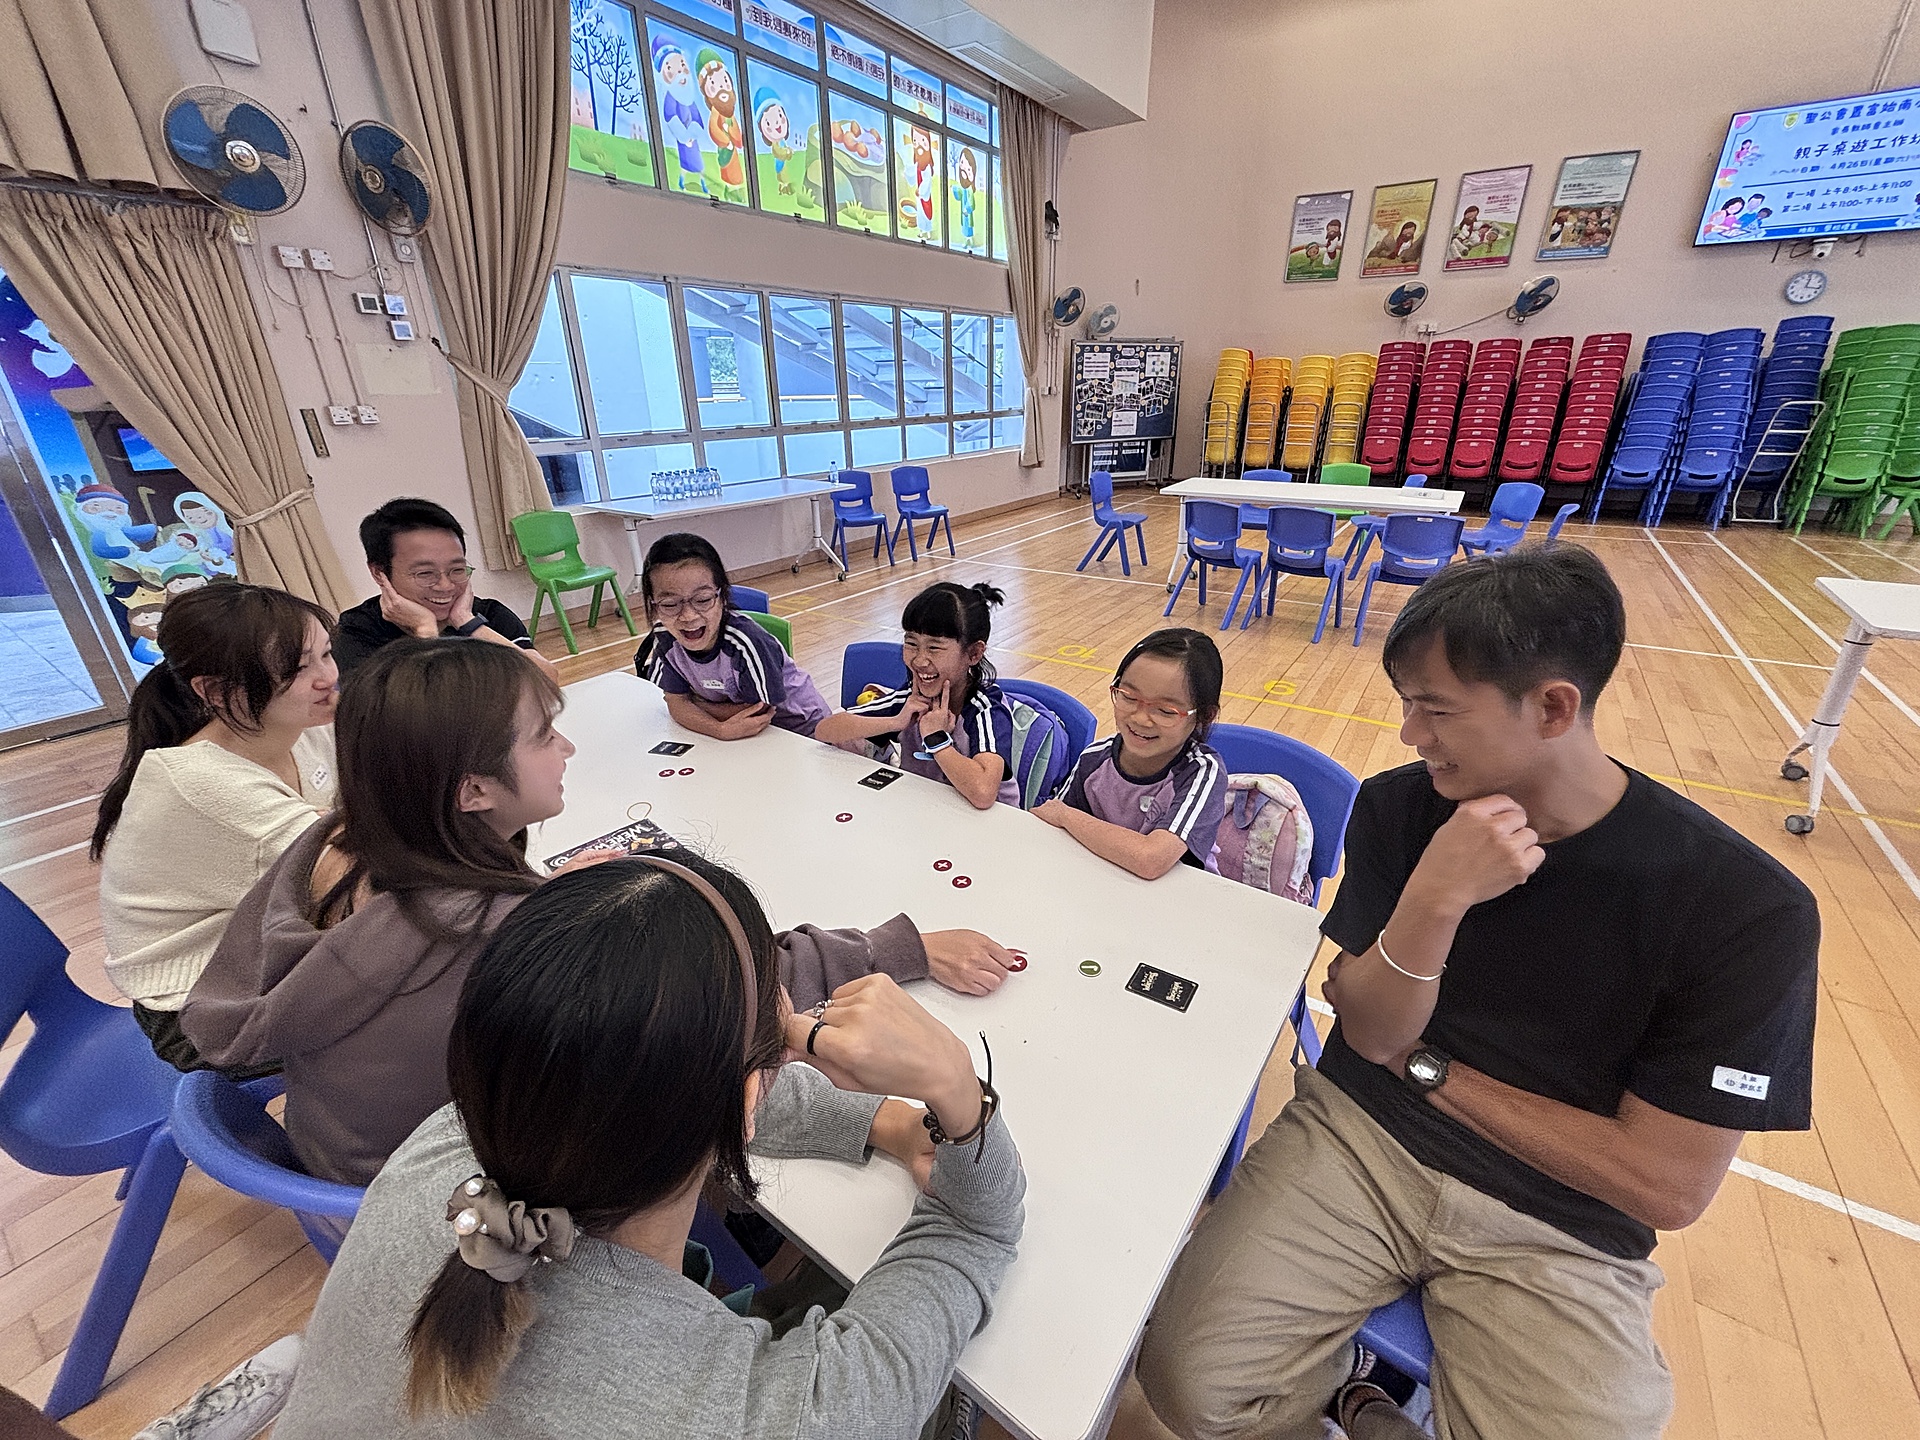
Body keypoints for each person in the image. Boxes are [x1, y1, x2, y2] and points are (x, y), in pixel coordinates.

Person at [1137, 545, 1818, 1440]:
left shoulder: (1747, 909)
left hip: (1561, 1222)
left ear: (1554, 708)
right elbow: (1367, 1028)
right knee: (1188, 1386)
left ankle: (1357, 1400)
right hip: (1360, 1138)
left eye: (1436, 708)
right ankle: (1360, 1395)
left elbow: (1664, 1185)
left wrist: (1426, 1069)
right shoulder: (1400, 808)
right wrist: (1436, 895)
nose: (1410, 734)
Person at [183, 640, 1015, 1186]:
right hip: (460, 1199)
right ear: (471, 791)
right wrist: (897, 947)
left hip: (348, 1158)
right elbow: (712, 984)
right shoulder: (490, 931)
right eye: (544, 735)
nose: (568, 748)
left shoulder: (340, 841)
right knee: (729, 1099)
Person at [270, 856, 1024, 1439]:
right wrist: (954, 1085)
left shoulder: (450, 1143)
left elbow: (640, 1082)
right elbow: (977, 1227)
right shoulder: (782, 1418)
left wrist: (879, 1121)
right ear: (747, 1099)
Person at [93, 583, 338, 1070]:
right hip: (198, 1008)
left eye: (327, 654)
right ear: (216, 692)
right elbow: (352, 877)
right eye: (297, 669)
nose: (327, 677)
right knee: (430, 1007)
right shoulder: (205, 782)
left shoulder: (301, 729)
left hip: (268, 952)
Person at [1035, 628, 1228, 879]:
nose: (1140, 718)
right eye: (1128, 697)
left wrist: (1065, 816)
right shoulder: (1095, 758)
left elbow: (1151, 859)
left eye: (1165, 711)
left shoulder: (1201, 772)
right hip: (1101, 882)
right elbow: (1050, 832)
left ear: (1204, 715)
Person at [816, 581, 1018, 809]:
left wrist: (936, 738)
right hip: (925, 812)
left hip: (988, 823)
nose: (920, 660)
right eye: (911, 643)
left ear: (973, 653)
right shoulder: (912, 698)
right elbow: (825, 730)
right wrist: (895, 722)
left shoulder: (985, 708)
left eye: (934, 648)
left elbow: (983, 793)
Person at [331, 497, 558, 682]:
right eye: (425, 573)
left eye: (456, 569)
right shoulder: (358, 632)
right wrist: (426, 631)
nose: (445, 586)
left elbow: (547, 681)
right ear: (378, 573)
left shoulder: (488, 615)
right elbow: (414, 716)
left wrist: (469, 624)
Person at [633, 532, 829, 739]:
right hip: (743, 737)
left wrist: (693, 703)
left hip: (804, 732)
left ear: (722, 596)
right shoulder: (666, 637)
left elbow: (758, 713)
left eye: (702, 600)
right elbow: (675, 703)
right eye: (670, 604)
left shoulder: (747, 642)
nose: (688, 616)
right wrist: (718, 729)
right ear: (653, 604)